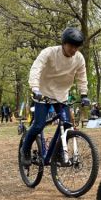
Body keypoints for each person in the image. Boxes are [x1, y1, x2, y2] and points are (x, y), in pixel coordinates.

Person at [19, 27, 91, 166]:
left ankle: (57, 153)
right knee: (39, 125)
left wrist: (84, 95)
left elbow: (82, 77)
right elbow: (36, 68)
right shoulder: (49, 53)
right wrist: (34, 88)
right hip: (42, 93)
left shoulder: (79, 58)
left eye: (76, 46)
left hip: (61, 95)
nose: (74, 49)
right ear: (64, 43)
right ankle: (25, 150)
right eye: (71, 45)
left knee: (66, 124)